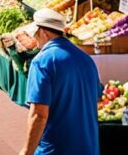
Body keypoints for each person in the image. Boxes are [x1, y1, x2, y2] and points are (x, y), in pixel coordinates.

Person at [20, 9, 100, 155]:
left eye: (35, 34)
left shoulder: (42, 61)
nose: (35, 40)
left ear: (43, 32)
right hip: (88, 148)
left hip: (56, 149)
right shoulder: (87, 60)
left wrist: (27, 151)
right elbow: (96, 101)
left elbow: (39, 115)